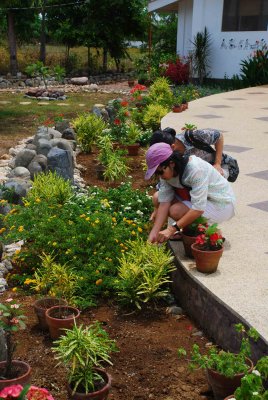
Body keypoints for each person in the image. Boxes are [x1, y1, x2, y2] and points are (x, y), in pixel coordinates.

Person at [145, 143, 235, 244]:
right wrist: (153, 233)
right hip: (203, 200)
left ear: (171, 163)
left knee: (175, 210)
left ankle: (211, 233)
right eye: (157, 173)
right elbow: (164, 202)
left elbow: (198, 208)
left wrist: (171, 229)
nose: (160, 176)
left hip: (222, 204)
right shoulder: (167, 172)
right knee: (158, 198)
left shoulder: (195, 169)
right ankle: (193, 230)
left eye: (160, 172)